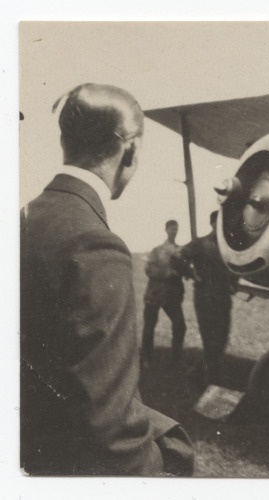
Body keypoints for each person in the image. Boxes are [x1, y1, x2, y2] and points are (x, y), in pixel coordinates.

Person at [20, 83, 194, 475]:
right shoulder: (97, 245)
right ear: (129, 151)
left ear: (65, 140)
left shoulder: (22, 219)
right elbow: (110, 430)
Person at [173, 211, 238, 386]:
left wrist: (234, 284)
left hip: (223, 298)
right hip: (205, 297)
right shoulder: (201, 244)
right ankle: (211, 381)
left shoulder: (229, 247)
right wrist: (191, 274)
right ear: (212, 223)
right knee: (210, 340)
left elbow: (236, 266)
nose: (222, 226)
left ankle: (199, 375)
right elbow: (177, 256)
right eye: (219, 222)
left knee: (222, 338)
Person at [141, 219, 187, 365]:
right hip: (155, 294)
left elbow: (185, 270)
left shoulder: (181, 251)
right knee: (149, 327)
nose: (174, 231)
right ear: (166, 230)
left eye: (176, 229)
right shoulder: (157, 250)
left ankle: (176, 359)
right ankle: (146, 358)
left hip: (173, 295)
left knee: (180, 326)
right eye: (172, 229)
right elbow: (149, 269)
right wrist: (168, 273)